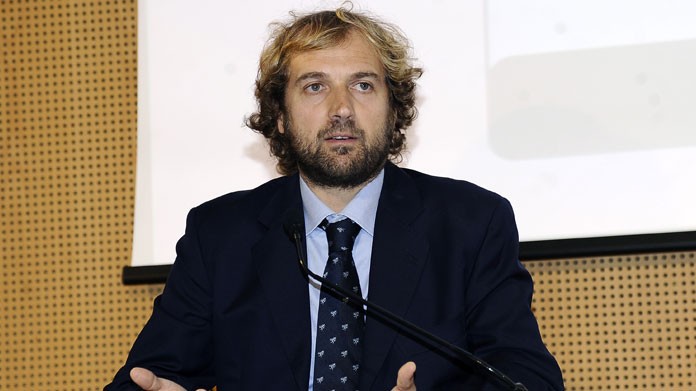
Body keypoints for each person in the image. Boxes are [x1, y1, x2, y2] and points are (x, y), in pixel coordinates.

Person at [106, 5, 564, 391]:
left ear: (395, 107)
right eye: (315, 86)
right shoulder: (222, 236)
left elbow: (530, 378)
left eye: (363, 85)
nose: (341, 108)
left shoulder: (470, 224)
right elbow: (148, 377)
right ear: (280, 116)